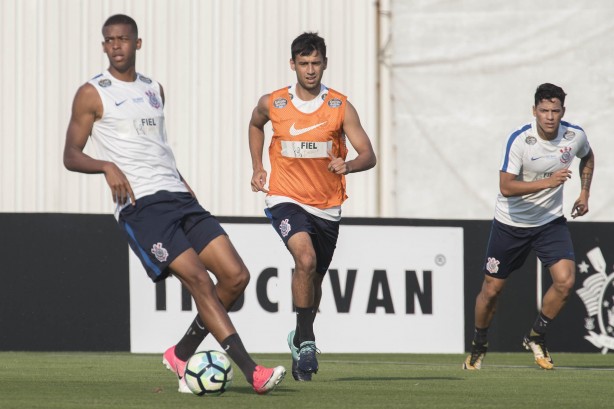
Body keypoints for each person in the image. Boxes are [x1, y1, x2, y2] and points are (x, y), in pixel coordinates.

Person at [63, 14, 285, 394]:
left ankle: (181, 353)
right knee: (199, 279)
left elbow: (159, 148)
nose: (116, 46)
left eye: (123, 39)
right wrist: (105, 166)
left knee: (236, 277)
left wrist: (185, 185)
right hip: (141, 206)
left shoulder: (154, 89)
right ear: (104, 46)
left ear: (138, 43)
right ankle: (252, 371)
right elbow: (70, 154)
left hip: (179, 197)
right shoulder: (92, 92)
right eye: (109, 40)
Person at [248, 32, 377, 381]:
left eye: (315, 62)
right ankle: (307, 342)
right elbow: (255, 124)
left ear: (325, 63)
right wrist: (258, 167)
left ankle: (299, 334)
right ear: (293, 65)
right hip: (285, 197)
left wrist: (347, 166)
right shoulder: (273, 103)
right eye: (303, 63)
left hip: (327, 207)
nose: (309, 70)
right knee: (303, 259)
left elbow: (369, 155)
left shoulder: (340, 106)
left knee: (314, 278)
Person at [463, 83, 595, 370]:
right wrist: (547, 182)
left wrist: (584, 193)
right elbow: (506, 187)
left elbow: (588, 156)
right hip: (510, 224)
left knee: (565, 281)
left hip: (549, 222)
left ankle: (536, 336)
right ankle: (479, 343)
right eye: (544, 110)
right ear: (534, 110)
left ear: (563, 111)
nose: (549, 116)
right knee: (491, 291)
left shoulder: (574, 136)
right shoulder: (520, 141)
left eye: (555, 111)